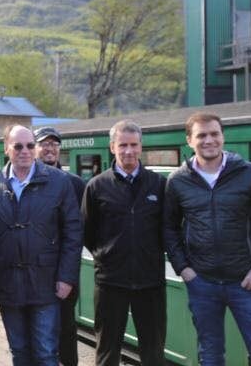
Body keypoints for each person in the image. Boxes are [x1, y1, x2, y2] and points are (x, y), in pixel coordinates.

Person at [164, 112, 251, 365]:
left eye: (214, 134)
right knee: (210, 356)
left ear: (222, 137)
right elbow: (168, 228)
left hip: (246, 283)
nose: (209, 140)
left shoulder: (249, 174)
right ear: (189, 140)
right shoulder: (178, 181)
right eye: (201, 135)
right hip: (202, 283)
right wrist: (184, 268)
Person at [0, 124, 82, 366]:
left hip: (47, 283)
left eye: (30, 145)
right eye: (18, 146)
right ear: (6, 149)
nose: (25, 151)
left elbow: (73, 234)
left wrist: (67, 278)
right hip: (8, 284)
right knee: (20, 352)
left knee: (46, 352)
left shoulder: (59, 182)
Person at [82, 120, 167, 366]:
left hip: (150, 282)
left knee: (153, 352)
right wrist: (105, 256)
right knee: (107, 351)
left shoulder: (158, 185)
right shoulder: (96, 186)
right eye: (122, 145)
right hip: (110, 283)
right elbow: (87, 232)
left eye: (133, 145)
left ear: (141, 147)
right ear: (112, 147)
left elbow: (167, 228)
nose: (128, 151)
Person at [33, 126, 85, 366]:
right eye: (44, 143)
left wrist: (68, 275)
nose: (49, 148)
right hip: (34, 271)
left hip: (65, 273)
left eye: (54, 144)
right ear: (35, 148)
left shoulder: (75, 184)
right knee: (37, 333)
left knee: (66, 330)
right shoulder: (25, 182)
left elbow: (82, 230)